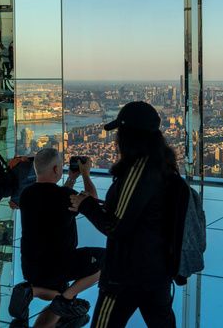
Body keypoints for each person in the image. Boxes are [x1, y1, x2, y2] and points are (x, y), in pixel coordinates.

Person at [73, 101, 177, 328]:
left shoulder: (138, 171)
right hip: (157, 271)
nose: (117, 138)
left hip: (125, 274)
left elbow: (115, 227)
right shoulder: (164, 165)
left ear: (129, 136)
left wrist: (85, 205)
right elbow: (143, 214)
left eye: (119, 132)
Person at [10, 148, 105, 326]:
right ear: (55, 170)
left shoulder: (27, 195)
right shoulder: (64, 197)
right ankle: (66, 300)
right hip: (56, 266)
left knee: (57, 287)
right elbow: (92, 202)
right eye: (61, 166)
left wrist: (71, 179)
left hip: (31, 268)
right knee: (107, 259)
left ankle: (32, 291)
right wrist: (85, 174)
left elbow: (53, 196)